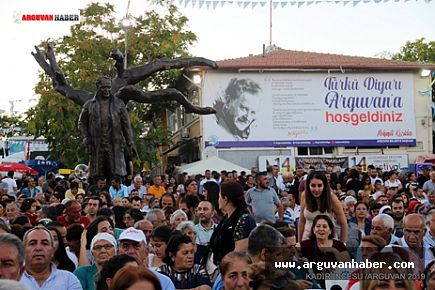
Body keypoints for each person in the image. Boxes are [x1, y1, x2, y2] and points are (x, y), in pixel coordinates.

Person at [78, 76, 137, 181]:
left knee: (116, 176)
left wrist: (130, 143)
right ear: (98, 87)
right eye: (103, 87)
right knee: (98, 176)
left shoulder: (119, 103)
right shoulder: (89, 105)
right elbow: (81, 123)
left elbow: (126, 125)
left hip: (115, 144)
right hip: (97, 144)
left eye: (109, 87)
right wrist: (86, 138)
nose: (107, 90)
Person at [209, 181, 256, 265]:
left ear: (225, 199)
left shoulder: (244, 219)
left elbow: (240, 253)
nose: (218, 200)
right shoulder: (227, 218)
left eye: (219, 197)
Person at [298, 170, 347, 243]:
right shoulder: (304, 196)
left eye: (319, 185)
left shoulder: (332, 198)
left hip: (328, 241)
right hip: (308, 240)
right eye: (313, 185)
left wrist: (343, 244)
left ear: (324, 186)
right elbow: (302, 221)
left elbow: (343, 223)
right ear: (308, 185)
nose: (316, 189)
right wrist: (299, 242)